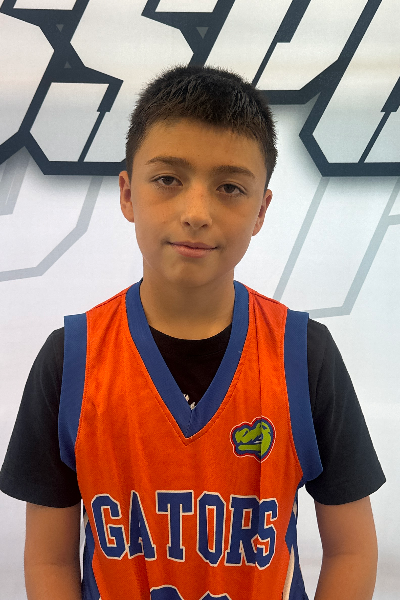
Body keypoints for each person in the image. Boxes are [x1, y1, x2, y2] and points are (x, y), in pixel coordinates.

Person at [0, 65, 385, 600]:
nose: (197, 213)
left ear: (261, 210)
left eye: (230, 187)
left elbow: (352, 550)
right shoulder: (70, 361)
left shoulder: (303, 354)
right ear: (127, 194)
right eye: (168, 180)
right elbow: (49, 560)